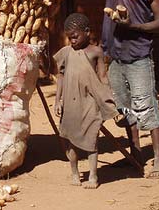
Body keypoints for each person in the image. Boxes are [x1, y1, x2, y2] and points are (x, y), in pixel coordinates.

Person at [60, 0, 159, 179]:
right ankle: (136, 155)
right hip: (115, 55)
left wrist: (134, 26)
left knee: (145, 107)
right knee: (123, 107)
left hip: (138, 56)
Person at [53, 12, 120, 189]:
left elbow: (103, 77)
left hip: (90, 102)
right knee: (71, 140)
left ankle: (93, 176)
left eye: (75, 37)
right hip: (70, 103)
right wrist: (57, 100)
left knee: (91, 139)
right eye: (69, 38)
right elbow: (60, 76)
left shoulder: (96, 52)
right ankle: (75, 174)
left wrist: (109, 100)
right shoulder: (66, 53)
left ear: (87, 32)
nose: (72, 41)